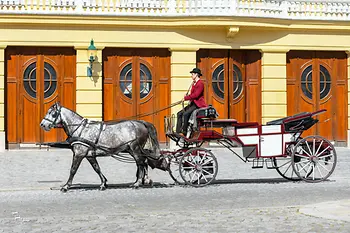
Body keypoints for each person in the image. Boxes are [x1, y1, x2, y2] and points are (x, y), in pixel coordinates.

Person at [176, 68, 207, 136]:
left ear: (196, 75)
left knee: (185, 114)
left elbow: (196, 95)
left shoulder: (200, 84)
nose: (191, 76)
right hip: (193, 103)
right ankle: (178, 132)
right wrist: (187, 96)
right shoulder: (194, 83)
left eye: (192, 74)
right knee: (179, 113)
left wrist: (185, 98)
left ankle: (184, 131)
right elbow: (192, 94)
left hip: (198, 104)